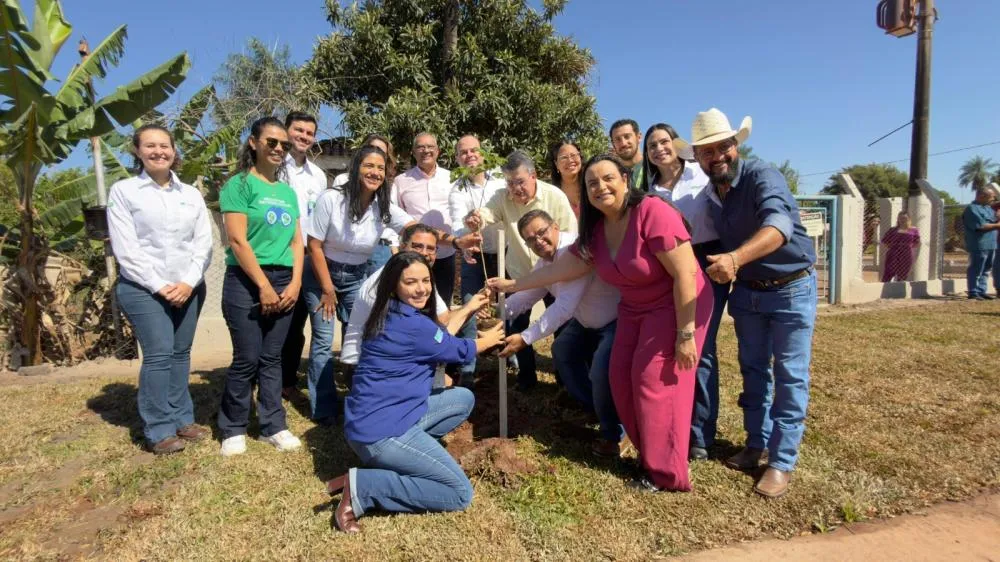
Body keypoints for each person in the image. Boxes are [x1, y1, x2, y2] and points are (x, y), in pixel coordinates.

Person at [490, 154, 713, 492]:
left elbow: (685, 272)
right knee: (619, 377)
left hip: (675, 304)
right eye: (591, 183)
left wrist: (685, 334)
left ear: (626, 178)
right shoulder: (596, 229)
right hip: (635, 308)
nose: (599, 187)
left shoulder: (653, 212)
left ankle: (665, 474)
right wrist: (509, 288)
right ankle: (643, 449)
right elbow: (560, 272)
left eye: (608, 178)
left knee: (653, 382)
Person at [325, 251, 505, 533]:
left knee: (461, 398)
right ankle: (362, 487)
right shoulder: (414, 325)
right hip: (382, 434)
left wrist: (469, 307)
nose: (421, 288)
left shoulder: (390, 313)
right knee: (459, 493)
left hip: (375, 420)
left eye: (425, 280)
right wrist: (491, 339)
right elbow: (459, 349)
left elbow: (440, 338)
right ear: (394, 284)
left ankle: (413, 456)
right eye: (410, 282)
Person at [691, 107, 817, 498]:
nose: (718, 156)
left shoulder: (763, 175)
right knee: (753, 371)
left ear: (736, 145)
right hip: (748, 293)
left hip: (790, 288)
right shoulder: (710, 197)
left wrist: (734, 259)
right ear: (697, 157)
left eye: (724, 146)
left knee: (790, 376)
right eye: (707, 151)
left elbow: (778, 225)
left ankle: (781, 462)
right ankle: (754, 443)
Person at [107, 124, 213, 455]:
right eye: (150, 146)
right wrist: (161, 285)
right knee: (159, 353)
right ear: (137, 151)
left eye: (164, 146)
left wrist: (187, 282)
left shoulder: (190, 195)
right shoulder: (125, 192)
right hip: (143, 288)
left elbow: (203, 243)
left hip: (189, 286)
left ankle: (182, 418)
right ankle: (159, 428)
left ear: (173, 150)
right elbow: (127, 250)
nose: (159, 151)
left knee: (180, 354)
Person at [639, 122, 729, 462]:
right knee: (675, 344)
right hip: (669, 270)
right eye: (652, 146)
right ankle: (675, 420)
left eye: (664, 142)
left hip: (705, 262)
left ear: (676, 144)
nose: (659, 149)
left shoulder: (701, 176)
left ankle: (700, 435)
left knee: (701, 348)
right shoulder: (651, 189)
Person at [498, 210, 622, 457]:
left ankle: (616, 432)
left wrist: (525, 337)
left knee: (600, 372)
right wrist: (498, 310)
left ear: (555, 227)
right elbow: (529, 294)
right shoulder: (545, 262)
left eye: (541, 232)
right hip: (585, 321)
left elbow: (564, 307)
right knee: (562, 350)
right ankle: (593, 406)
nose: (538, 241)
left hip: (613, 321)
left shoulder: (573, 251)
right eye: (530, 239)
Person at [303, 146, 414, 424]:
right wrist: (328, 290)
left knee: (363, 337)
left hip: (355, 277)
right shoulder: (332, 199)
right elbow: (313, 245)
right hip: (321, 276)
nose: (374, 172)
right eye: (369, 165)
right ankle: (324, 408)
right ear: (355, 168)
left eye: (380, 168)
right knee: (323, 342)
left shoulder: (383, 206)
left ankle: (362, 399)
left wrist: (454, 241)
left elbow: (414, 227)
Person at [217, 117, 305, 456]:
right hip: (246, 280)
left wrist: (296, 282)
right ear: (253, 143)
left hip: (285, 278)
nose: (279, 148)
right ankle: (233, 427)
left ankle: (274, 425)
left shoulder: (286, 192)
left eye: (284, 144)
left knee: (273, 358)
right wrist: (264, 286)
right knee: (247, 358)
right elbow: (238, 241)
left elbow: (297, 243)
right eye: (272, 142)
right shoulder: (238, 185)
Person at [465, 150, 578, 391]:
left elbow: (570, 235)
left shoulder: (554, 196)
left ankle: (564, 378)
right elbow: (488, 213)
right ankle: (526, 376)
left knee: (561, 325)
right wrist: (476, 219)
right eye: (509, 183)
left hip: (556, 273)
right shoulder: (501, 197)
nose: (515, 188)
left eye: (519, 182)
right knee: (515, 324)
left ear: (533, 176)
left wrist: (563, 268)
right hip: (519, 274)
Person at [340, 223, 489, 368]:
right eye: (418, 246)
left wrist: (471, 306)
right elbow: (432, 334)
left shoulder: (417, 274)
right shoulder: (387, 280)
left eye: (431, 249)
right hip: (370, 363)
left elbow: (442, 321)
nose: (424, 253)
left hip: (398, 353)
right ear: (402, 247)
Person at [448, 135, 505, 387]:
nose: (469, 155)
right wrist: (467, 229)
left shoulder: (500, 180)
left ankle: (510, 355)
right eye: (463, 152)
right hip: (476, 254)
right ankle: (469, 366)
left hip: (504, 251)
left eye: (474, 151)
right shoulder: (457, 188)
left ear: (482, 153)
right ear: (458, 158)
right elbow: (456, 221)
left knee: (510, 307)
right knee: (469, 306)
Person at [280, 111, 327, 401]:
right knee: (282, 323)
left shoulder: (319, 176)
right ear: (286, 131)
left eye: (309, 133)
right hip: (280, 255)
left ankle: (288, 381)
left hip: (311, 256)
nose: (304, 137)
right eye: (298, 130)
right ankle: (272, 379)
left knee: (300, 324)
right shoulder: (274, 168)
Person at [391, 133, 457, 305]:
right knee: (413, 302)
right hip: (414, 255)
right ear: (413, 152)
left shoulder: (453, 179)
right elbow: (395, 217)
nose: (425, 151)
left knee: (442, 304)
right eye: (420, 147)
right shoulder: (401, 181)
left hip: (445, 254)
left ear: (438, 151)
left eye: (430, 147)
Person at [333, 134, 399, 272]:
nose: (376, 154)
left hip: (382, 249)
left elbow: (393, 218)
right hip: (351, 248)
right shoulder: (342, 180)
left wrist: (394, 247)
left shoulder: (390, 186)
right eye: (373, 148)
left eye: (382, 152)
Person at [962, 188, 1000, 300]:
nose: (993, 199)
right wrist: (998, 225)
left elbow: (994, 220)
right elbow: (981, 226)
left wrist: (997, 218)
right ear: (982, 196)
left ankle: (981, 290)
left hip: (992, 244)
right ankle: (973, 291)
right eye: (991, 197)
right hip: (979, 244)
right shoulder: (972, 209)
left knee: (986, 269)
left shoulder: (988, 209)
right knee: (976, 268)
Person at [547, 140, 584, 218]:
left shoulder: (591, 185)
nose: (570, 160)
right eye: (564, 157)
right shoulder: (551, 194)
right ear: (556, 164)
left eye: (573, 155)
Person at [879, 211, 920, 282]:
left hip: (906, 255)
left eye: (904, 218)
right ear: (898, 219)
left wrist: (907, 247)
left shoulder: (914, 230)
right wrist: (894, 247)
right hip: (893, 254)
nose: (902, 220)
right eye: (900, 218)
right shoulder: (893, 229)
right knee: (888, 275)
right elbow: (885, 241)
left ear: (909, 219)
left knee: (903, 275)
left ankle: (899, 291)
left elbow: (917, 242)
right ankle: (884, 291)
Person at [609, 119, 644, 188]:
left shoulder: (655, 167)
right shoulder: (613, 175)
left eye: (627, 136)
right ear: (613, 144)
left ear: (639, 137)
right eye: (618, 139)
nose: (623, 143)